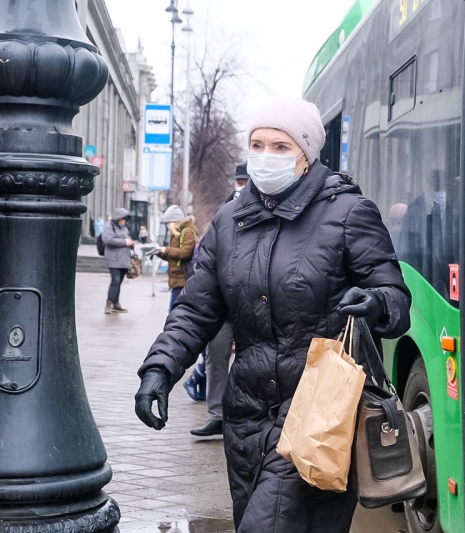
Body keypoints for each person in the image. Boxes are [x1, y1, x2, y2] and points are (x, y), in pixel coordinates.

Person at [135, 99, 411, 532]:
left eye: (280, 146)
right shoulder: (229, 221)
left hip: (318, 410)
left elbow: (395, 296)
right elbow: (195, 310)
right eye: (257, 144)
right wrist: (160, 369)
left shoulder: (348, 213)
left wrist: (378, 303)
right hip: (245, 416)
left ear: (306, 156)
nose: (266, 155)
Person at [190, 162, 248, 437]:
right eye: (239, 181)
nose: (242, 187)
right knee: (215, 355)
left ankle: (247, 415)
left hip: (255, 306)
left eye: (245, 181)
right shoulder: (225, 214)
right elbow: (208, 263)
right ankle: (217, 415)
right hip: (225, 307)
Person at [155, 205, 197, 310]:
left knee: (174, 312)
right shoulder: (175, 234)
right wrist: (160, 252)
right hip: (176, 279)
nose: (167, 225)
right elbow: (173, 256)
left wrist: (166, 250)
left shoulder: (187, 232)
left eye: (168, 223)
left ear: (175, 221)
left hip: (183, 278)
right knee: (176, 312)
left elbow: (184, 253)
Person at [102, 208, 135, 314]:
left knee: (119, 282)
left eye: (125, 219)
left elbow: (126, 239)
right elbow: (107, 240)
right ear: (118, 218)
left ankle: (116, 303)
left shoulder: (124, 228)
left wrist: (130, 243)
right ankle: (109, 303)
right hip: (114, 259)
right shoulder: (109, 226)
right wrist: (124, 242)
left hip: (123, 260)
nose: (124, 221)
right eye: (123, 219)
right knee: (115, 281)